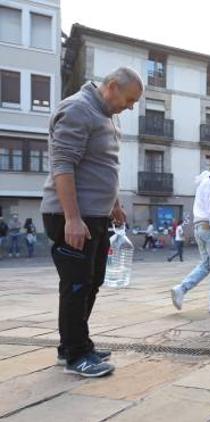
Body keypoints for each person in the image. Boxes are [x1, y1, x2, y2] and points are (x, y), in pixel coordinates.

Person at [41, 67, 143, 377]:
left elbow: (101, 164)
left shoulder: (107, 115)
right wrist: (72, 217)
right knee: (76, 285)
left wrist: (113, 204)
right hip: (72, 216)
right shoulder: (77, 109)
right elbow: (63, 165)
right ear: (112, 87)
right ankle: (76, 355)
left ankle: (73, 344)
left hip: (95, 216)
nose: (131, 106)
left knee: (91, 283)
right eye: (129, 99)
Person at [170, 153, 210, 313]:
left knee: (206, 265)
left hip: (200, 226)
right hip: (209, 227)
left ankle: (181, 289)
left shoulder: (203, 181)